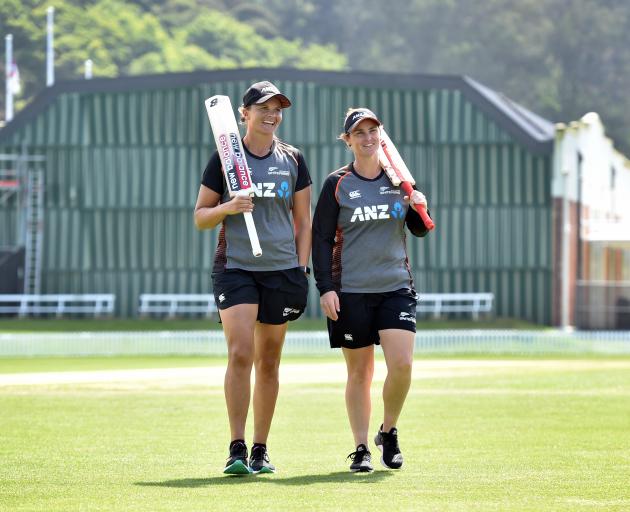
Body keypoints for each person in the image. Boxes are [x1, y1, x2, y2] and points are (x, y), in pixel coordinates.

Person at [194, 81, 312, 475]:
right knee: (241, 353)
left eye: (277, 108)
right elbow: (200, 217)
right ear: (244, 114)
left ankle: (261, 448)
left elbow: (303, 220)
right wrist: (229, 205)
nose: (272, 114)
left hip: (281, 269)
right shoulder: (224, 159)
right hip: (237, 268)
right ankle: (236, 447)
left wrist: (301, 267)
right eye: (263, 107)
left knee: (270, 362)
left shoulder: (293, 159)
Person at [312, 108, 431, 472]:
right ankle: (361, 448)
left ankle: (389, 431)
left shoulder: (399, 180)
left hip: (395, 285)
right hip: (351, 291)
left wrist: (418, 207)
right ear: (347, 140)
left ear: (381, 135)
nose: (367, 138)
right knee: (360, 373)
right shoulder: (337, 184)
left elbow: (420, 230)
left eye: (373, 131)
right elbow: (320, 239)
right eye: (359, 133)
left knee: (403, 365)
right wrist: (325, 288)